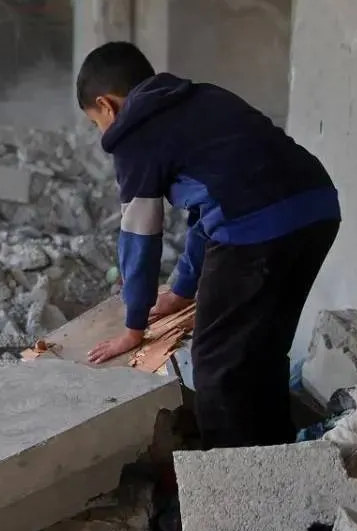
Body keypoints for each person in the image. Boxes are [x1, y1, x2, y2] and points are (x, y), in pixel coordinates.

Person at [75, 41, 340, 449]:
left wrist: (133, 326)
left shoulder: (134, 133)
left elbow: (140, 236)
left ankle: (229, 477)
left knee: (217, 362)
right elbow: (211, 211)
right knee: (261, 350)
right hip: (317, 210)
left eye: (96, 123)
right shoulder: (203, 98)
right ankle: (279, 462)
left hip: (256, 229)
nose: (102, 133)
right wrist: (182, 291)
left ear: (106, 105)